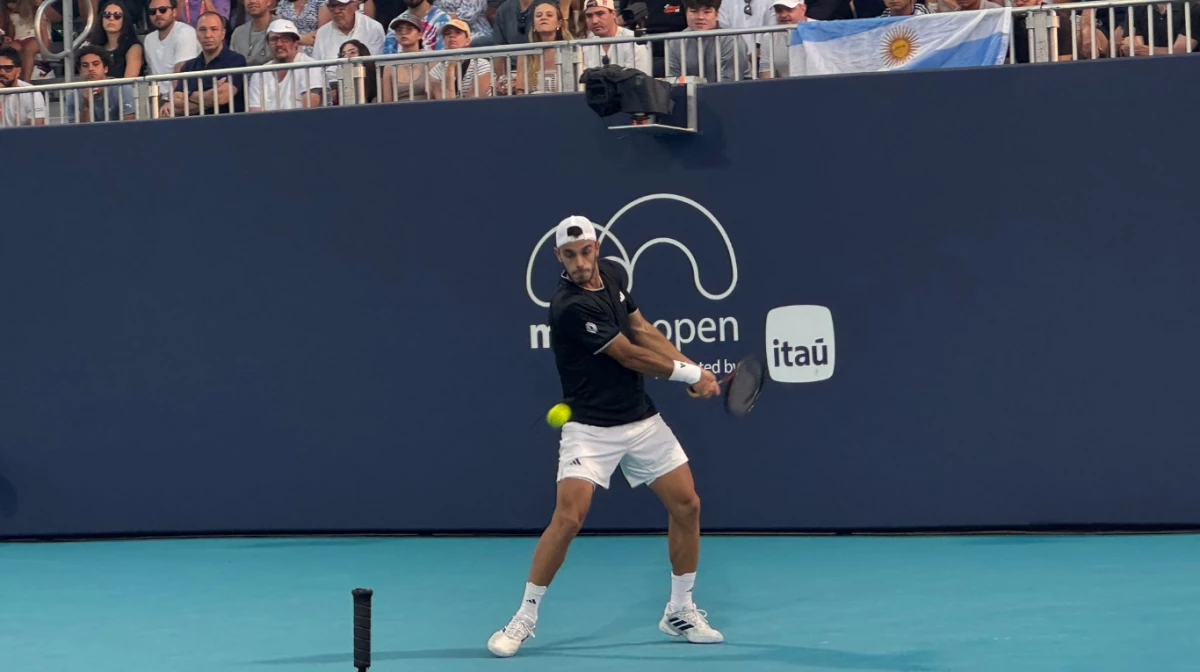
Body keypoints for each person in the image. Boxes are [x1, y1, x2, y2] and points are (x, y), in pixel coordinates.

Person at [486, 216, 725, 658]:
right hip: (590, 429)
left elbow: (643, 330)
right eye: (570, 255)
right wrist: (691, 374)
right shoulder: (569, 305)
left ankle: (680, 609)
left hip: (639, 420)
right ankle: (524, 616)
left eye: (586, 251)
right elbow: (630, 354)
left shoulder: (612, 274)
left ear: (597, 248)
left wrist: (691, 366)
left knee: (687, 504)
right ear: (558, 257)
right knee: (569, 518)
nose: (580, 262)